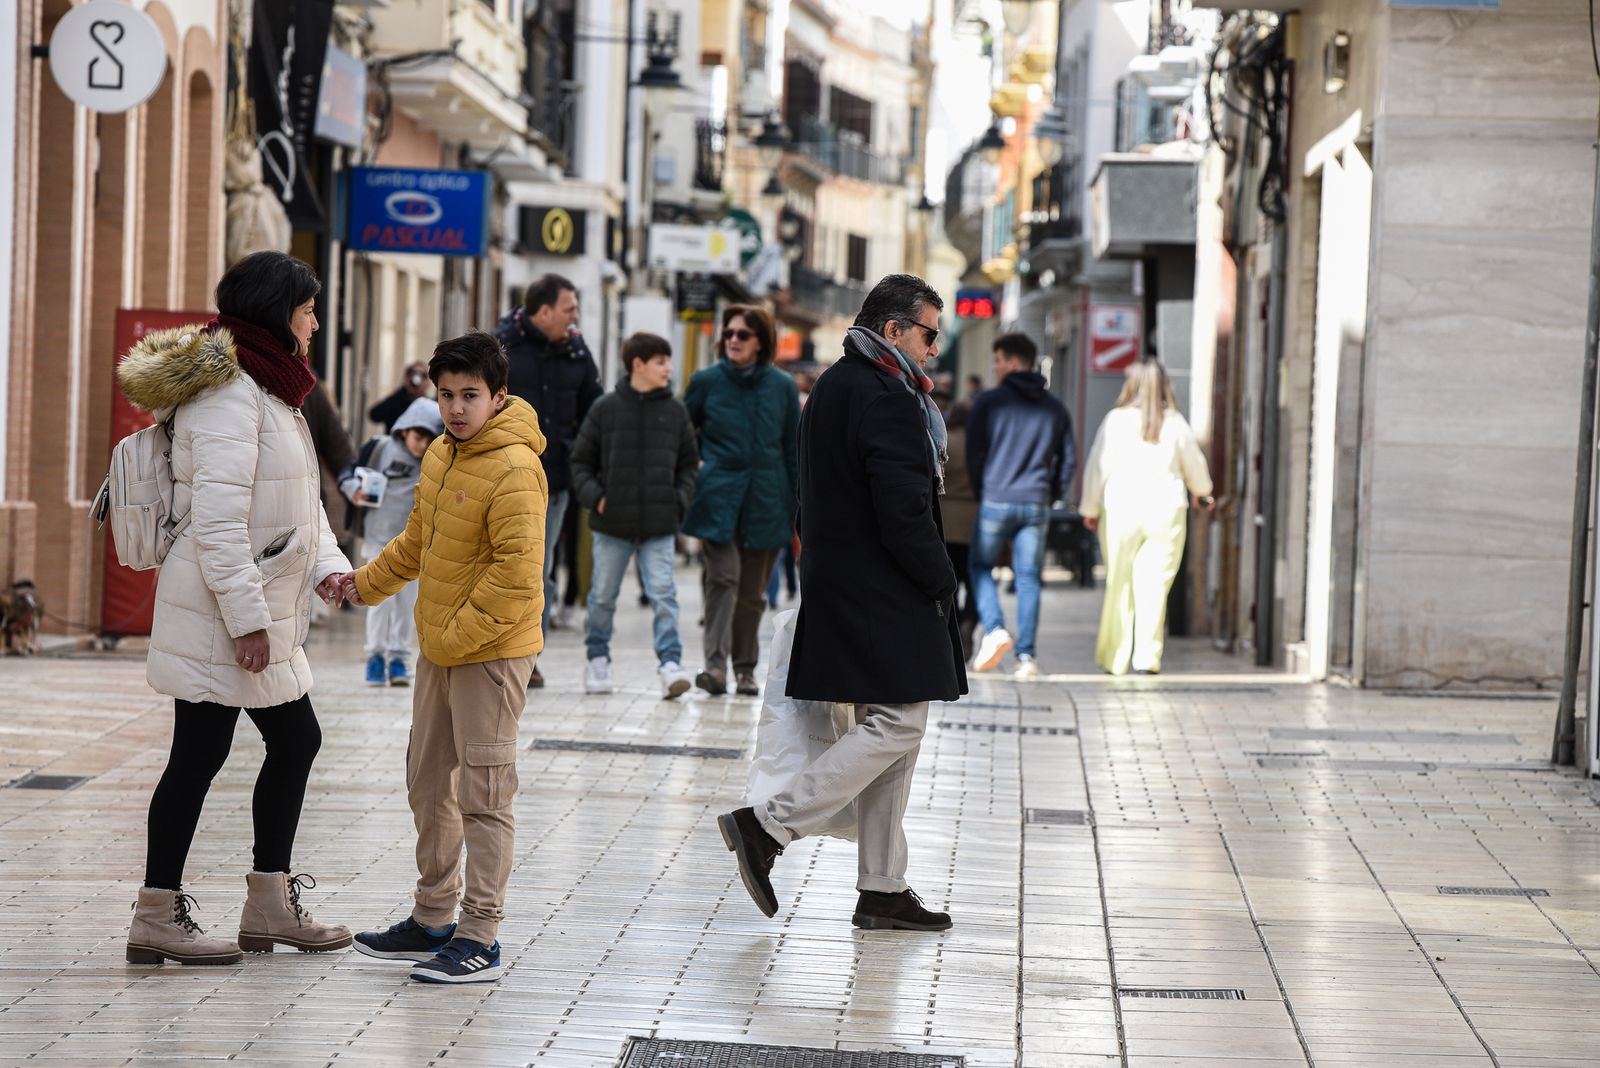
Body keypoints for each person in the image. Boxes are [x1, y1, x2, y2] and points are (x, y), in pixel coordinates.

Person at [118, 250, 353, 966]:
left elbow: (298, 505)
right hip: (223, 607)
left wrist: (332, 569)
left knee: (278, 742)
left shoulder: (272, 389)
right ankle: (164, 913)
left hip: (254, 602)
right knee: (206, 752)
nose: (316, 321)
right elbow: (219, 522)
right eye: (308, 308)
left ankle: (262, 905)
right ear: (277, 312)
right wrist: (248, 620)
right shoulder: (230, 395)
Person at [717, 273, 965, 933]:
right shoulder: (887, 396)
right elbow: (904, 511)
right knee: (899, 724)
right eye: (928, 334)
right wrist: (943, 580)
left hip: (841, 582)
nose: (935, 350)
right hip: (883, 589)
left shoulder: (833, 385)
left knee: (891, 727)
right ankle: (768, 825)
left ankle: (882, 887)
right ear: (894, 332)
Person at [337, 331, 547, 984]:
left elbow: (517, 573)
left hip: (489, 654)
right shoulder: (442, 457)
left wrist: (453, 636)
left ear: (498, 396)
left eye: (470, 396)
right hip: (441, 650)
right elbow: (418, 542)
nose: (456, 408)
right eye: (447, 395)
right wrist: (361, 584)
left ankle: (481, 934)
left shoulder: (515, 468)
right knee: (428, 782)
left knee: (484, 793)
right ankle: (433, 918)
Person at [570, 332, 699, 698]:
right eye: (661, 361)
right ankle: (597, 659)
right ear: (638, 365)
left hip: (660, 525)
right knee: (603, 596)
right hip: (612, 524)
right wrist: (597, 498)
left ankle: (670, 664)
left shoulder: (675, 411)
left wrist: (678, 500)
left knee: (663, 593)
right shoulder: (605, 409)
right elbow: (580, 461)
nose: (669, 369)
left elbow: (689, 464)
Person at [683, 304, 800, 696]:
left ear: (761, 342)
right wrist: (694, 475)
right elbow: (684, 437)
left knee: (752, 594)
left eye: (743, 335)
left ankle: (745, 670)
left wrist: (796, 504)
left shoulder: (782, 387)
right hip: (717, 496)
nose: (733, 340)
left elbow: (792, 450)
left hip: (767, 498)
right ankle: (715, 667)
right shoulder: (706, 381)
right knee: (723, 579)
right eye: (729, 333)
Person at [494, 274, 602, 688]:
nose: (576, 317)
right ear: (544, 312)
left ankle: (527, 655)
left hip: (554, 481)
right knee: (503, 564)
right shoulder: (501, 347)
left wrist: (580, 454)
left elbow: (594, 410)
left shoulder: (577, 350)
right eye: (569, 308)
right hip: (501, 480)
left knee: (540, 569)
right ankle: (497, 643)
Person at [1079, 358, 1213, 676]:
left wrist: (1090, 508)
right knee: (1154, 585)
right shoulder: (1175, 422)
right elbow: (1196, 468)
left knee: (1119, 583)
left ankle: (1116, 657)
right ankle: (1147, 658)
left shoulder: (1116, 421)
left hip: (1121, 509)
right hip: (1166, 512)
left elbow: (1098, 466)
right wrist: (1203, 491)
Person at [966, 332, 1076, 678]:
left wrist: (984, 487)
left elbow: (972, 453)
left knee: (980, 567)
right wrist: (1052, 491)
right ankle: (1026, 657)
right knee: (1028, 578)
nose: (995, 367)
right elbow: (1069, 459)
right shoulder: (1055, 407)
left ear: (1014, 362)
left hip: (996, 499)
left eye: (998, 360)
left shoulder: (989, 402)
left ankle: (996, 628)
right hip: (1036, 501)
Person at [338, 396, 444, 687]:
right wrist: (353, 490)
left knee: (407, 604)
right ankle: (375, 657)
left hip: (414, 547)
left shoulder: (436, 461)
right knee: (377, 601)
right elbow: (348, 470)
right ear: (405, 429)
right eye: (418, 436)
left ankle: (398, 658)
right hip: (377, 540)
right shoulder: (380, 448)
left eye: (429, 438)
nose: (421, 445)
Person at [939, 392, 981, 661]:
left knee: (948, 581)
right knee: (976, 580)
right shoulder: (980, 446)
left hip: (945, 520)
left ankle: (952, 627)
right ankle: (969, 619)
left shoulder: (945, 442)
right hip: (974, 521)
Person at [369, 362, 432, 433]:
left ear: (428, 382)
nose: (416, 378)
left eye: (423, 375)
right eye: (411, 372)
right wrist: (402, 391)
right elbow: (374, 415)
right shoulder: (396, 401)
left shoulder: (430, 406)